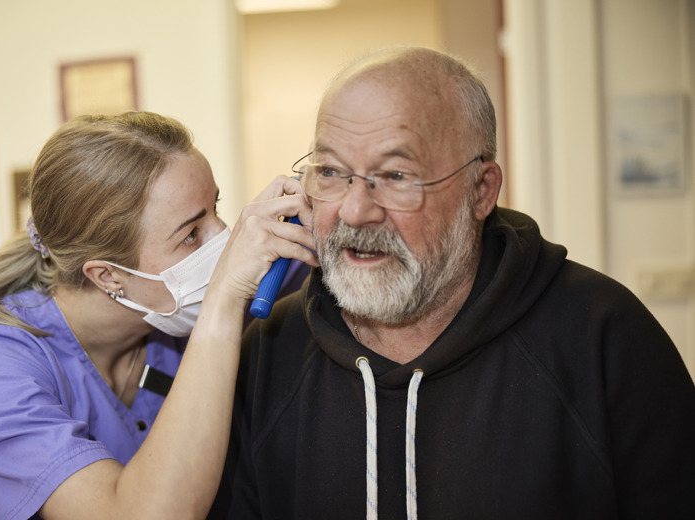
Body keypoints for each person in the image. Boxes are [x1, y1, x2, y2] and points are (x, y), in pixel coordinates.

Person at [211, 47, 695, 519]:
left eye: (397, 175)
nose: (356, 211)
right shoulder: (267, 350)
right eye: (333, 172)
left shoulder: (605, 338)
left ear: (481, 190)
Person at [0, 111, 317, 519]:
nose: (225, 241)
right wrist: (223, 300)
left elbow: (326, 248)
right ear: (107, 275)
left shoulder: (170, 312)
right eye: (192, 234)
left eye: (215, 208)